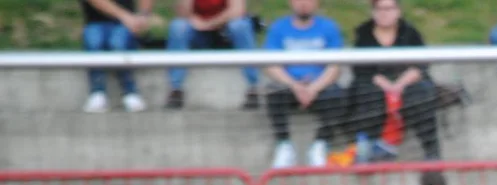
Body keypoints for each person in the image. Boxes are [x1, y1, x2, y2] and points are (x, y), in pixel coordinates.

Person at [349, 0, 441, 161]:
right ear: (373, 11)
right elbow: (360, 68)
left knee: (422, 94)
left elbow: (421, 64)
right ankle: (368, 149)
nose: (384, 13)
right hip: (375, 83)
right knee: (366, 93)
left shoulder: (410, 33)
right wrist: (386, 85)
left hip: (406, 83)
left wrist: (399, 85)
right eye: (380, 9)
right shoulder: (363, 33)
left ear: (398, 11)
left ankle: (432, 153)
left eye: (389, 8)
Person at [263, 0, 347, 169]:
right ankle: (284, 145)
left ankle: (320, 145)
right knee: (273, 92)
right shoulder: (279, 28)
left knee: (338, 95)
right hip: (290, 84)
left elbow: (335, 67)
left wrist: (313, 88)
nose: (303, 4)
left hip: (319, 85)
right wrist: (294, 85)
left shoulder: (329, 28)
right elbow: (271, 65)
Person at [165, 0, 259, 110]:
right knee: (178, 26)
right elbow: (182, 13)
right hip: (198, 31)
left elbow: (237, 11)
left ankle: (253, 87)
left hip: (225, 31)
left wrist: (210, 23)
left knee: (240, 26)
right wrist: (195, 19)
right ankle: (176, 89)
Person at [80, 0, 153, 113]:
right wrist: (125, 17)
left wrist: (143, 16)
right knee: (94, 41)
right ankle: (97, 92)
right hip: (96, 22)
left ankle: (130, 92)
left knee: (117, 43)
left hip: (124, 24)